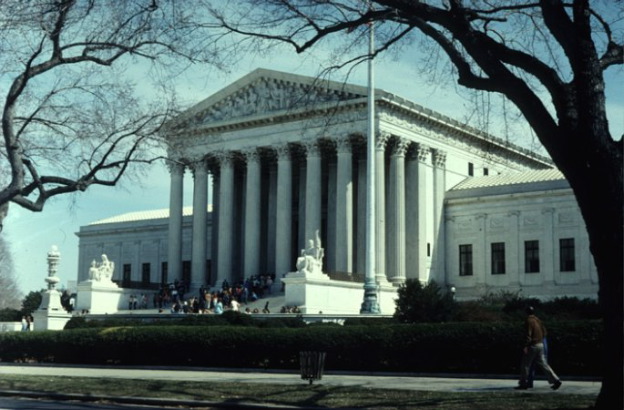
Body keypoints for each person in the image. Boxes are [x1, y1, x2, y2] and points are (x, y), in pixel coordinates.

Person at [516, 306, 562, 390]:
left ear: (526, 312)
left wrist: (526, 345)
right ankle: (556, 380)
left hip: (532, 345)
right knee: (544, 364)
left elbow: (528, 335)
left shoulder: (528, 321)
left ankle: (523, 383)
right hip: (540, 344)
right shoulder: (538, 320)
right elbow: (544, 332)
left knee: (525, 365)